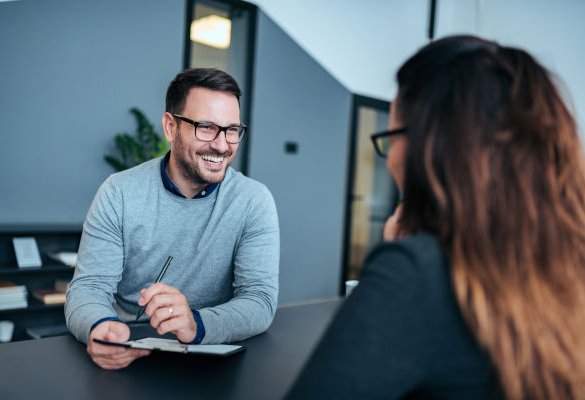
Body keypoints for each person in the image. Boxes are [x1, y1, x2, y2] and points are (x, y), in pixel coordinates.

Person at [286, 35, 585, 399]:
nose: (390, 159)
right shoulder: (567, 263)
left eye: (391, 138)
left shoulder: (416, 273)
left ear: (431, 147)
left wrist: (405, 262)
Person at [65, 68, 280, 370]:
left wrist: (196, 324)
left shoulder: (253, 201)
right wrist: (100, 326)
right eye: (206, 127)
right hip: (129, 353)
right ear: (170, 127)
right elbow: (88, 289)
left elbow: (259, 301)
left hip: (212, 361)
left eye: (231, 130)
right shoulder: (119, 192)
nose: (221, 145)